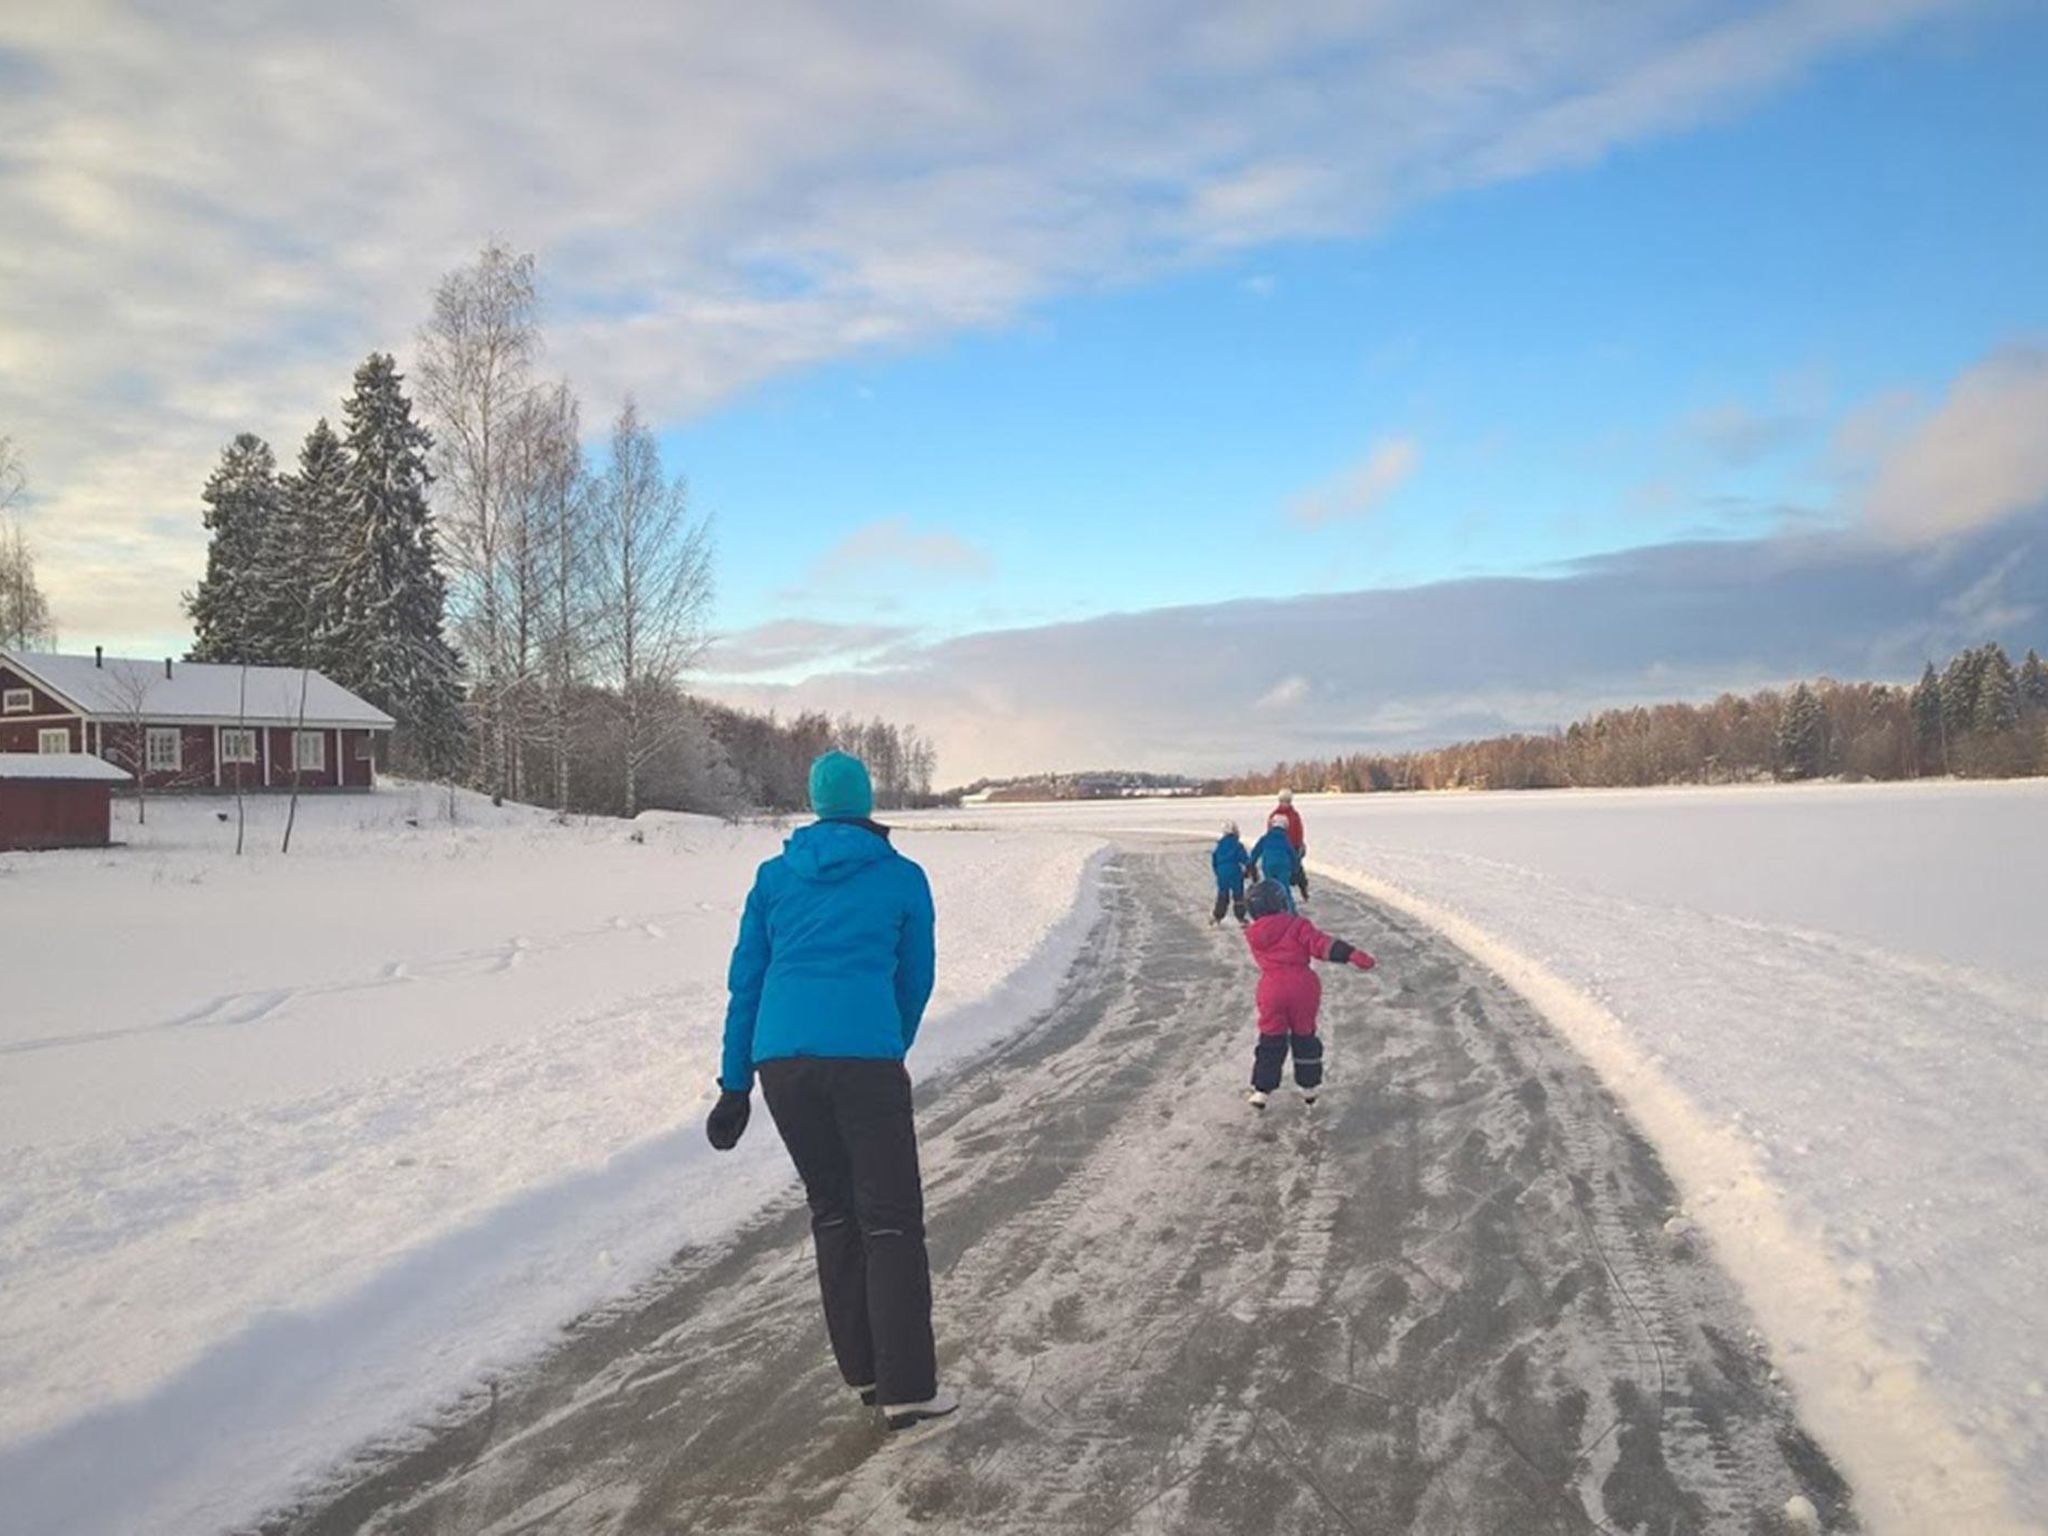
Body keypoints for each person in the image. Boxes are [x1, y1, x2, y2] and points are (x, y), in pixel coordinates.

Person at [704, 750, 958, 1432]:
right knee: (890, 1219)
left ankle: (868, 1374)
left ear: (816, 804)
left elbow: (747, 983)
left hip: (782, 1064)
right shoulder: (902, 877)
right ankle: (909, 1387)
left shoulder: (773, 878)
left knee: (834, 1213)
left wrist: (735, 1084)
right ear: (865, 800)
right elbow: (915, 977)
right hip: (864, 1059)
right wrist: (887, 1041)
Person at [1240, 878, 1375, 1109]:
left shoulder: (1254, 934)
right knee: (1304, 1036)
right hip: (1303, 988)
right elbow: (1321, 944)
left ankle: (1261, 1090)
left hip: (1271, 989)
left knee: (1271, 1038)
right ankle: (1309, 1088)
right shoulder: (1297, 925)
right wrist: (1351, 954)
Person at [1248, 813, 1299, 913]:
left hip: (1268, 865)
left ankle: (1271, 909)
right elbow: (1292, 854)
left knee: (1270, 888)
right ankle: (1290, 912)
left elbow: (1256, 851)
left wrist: (1251, 863)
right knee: (1284, 888)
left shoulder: (1265, 838)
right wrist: (1295, 869)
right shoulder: (1285, 839)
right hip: (1283, 865)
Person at [1210, 820, 1253, 924]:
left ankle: (1218, 915)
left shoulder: (1219, 845)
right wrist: (1249, 869)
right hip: (1234, 870)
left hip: (1222, 871)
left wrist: (1218, 872)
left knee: (1222, 893)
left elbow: (1214, 860)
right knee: (1238, 894)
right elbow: (1244, 858)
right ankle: (1240, 916)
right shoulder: (1237, 844)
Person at [1271, 788, 1309, 899]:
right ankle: (1281, 894)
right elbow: (1270, 831)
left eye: (1287, 801)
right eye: (1283, 801)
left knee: (1297, 869)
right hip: (1281, 849)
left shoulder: (1294, 815)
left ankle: (1303, 889)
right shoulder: (1275, 815)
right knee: (1283, 872)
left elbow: (1299, 830)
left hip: (1293, 846)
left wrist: (1300, 844)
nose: (1285, 804)